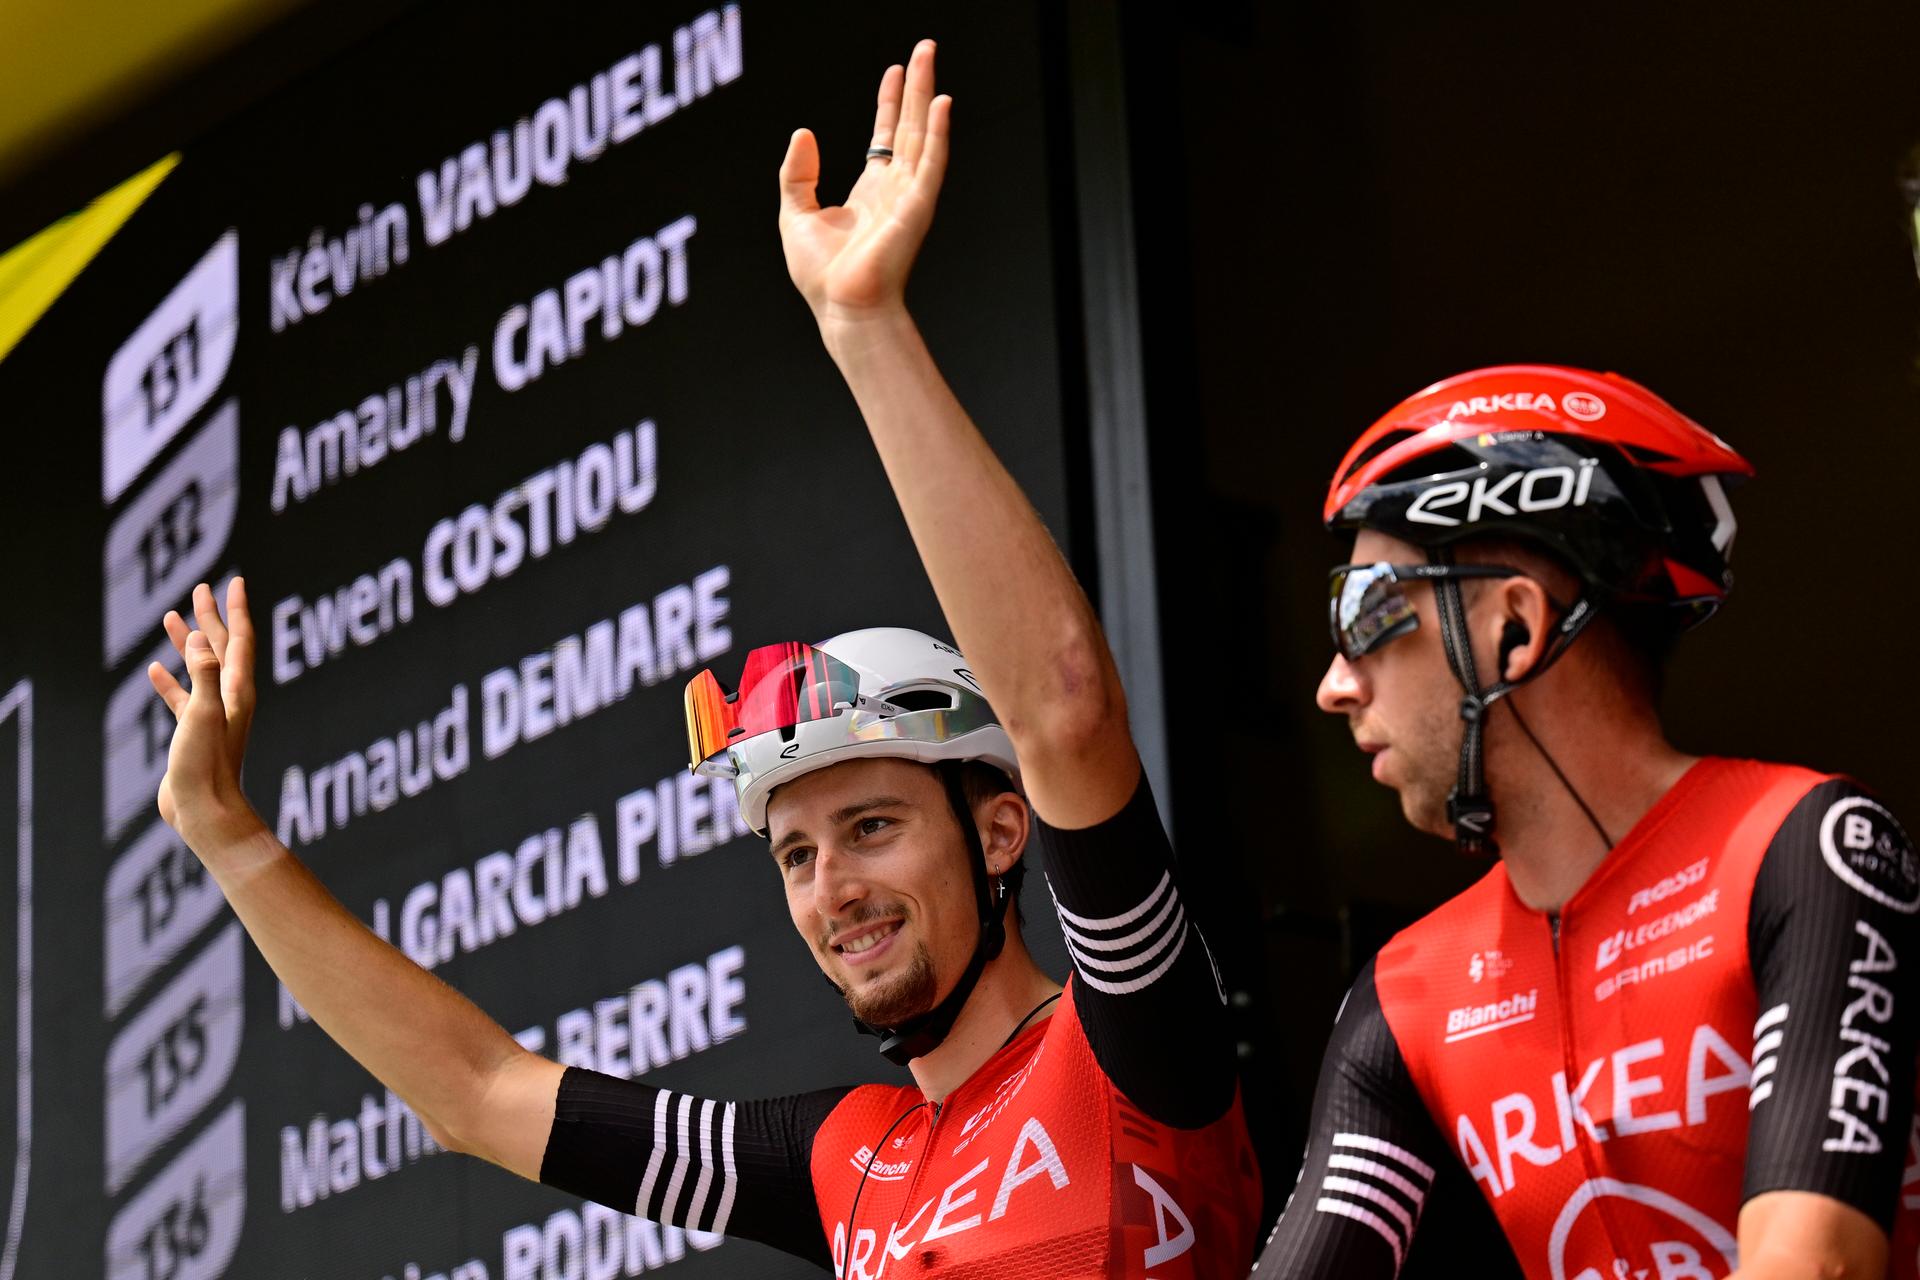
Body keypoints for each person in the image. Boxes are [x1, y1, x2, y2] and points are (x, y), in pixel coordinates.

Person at [148, 43, 1259, 1280]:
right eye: (796, 851)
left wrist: (865, 326)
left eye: (874, 824)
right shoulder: (847, 1160)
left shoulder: (1129, 1039)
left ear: (1003, 832)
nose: (831, 887)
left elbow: (1059, 709)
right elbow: (475, 1091)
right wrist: (223, 834)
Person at [1253, 364, 1920, 1279]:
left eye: (1367, 613)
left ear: (1515, 631)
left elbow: (1818, 1265)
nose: (1333, 685)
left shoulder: (1804, 849)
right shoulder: (1407, 996)